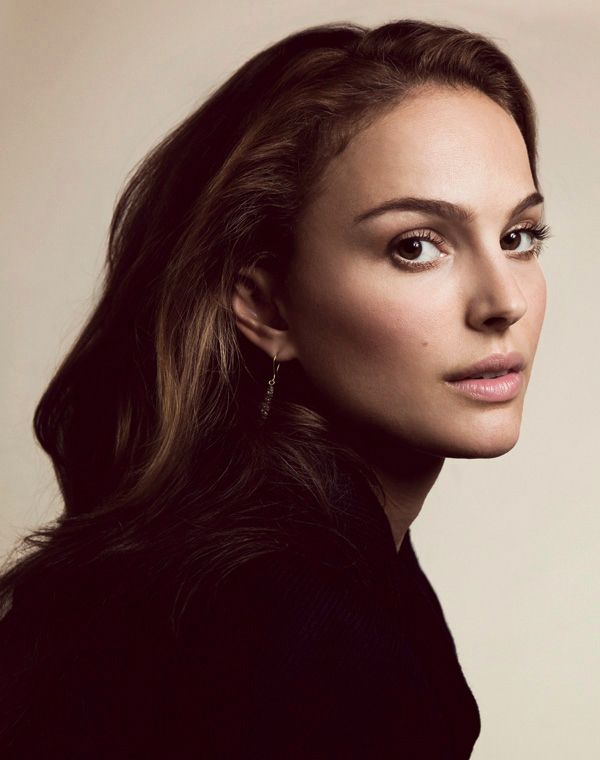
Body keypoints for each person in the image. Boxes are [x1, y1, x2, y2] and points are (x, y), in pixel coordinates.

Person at [0, 18, 548, 759]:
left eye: (519, 237)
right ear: (263, 303)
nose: (502, 301)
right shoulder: (299, 626)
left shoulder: (275, 566)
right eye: (415, 246)